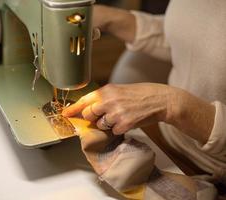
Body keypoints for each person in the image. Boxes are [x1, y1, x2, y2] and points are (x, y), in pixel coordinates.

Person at [62, 0, 226, 191]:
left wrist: (173, 105)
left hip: (209, 170)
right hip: (167, 136)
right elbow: (200, 39)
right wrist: (115, 19)